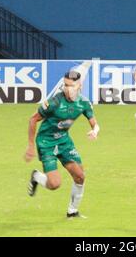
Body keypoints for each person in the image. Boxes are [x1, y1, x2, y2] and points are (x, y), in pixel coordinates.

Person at [24, 70, 100, 218]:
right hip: (46, 142)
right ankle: (36, 177)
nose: (67, 88)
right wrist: (31, 146)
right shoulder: (54, 102)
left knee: (80, 176)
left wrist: (95, 131)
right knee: (54, 184)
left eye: (71, 85)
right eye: (65, 85)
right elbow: (33, 119)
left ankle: (72, 212)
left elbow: (95, 124)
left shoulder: (84, 103)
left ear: (79, 86)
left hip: (64, 141)